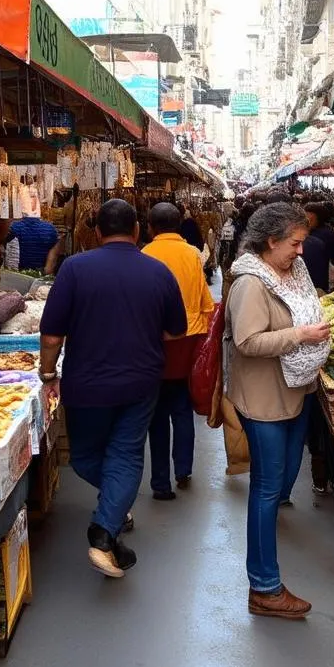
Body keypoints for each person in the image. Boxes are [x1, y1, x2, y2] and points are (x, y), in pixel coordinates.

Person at [39, 199, 187, 578]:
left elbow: (52, 334)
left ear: (98, 233)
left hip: (85, 383)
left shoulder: (73, 269)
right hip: (140, 381)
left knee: (85, 456)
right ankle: (111, 514)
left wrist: (47, 373)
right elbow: (175, 331)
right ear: (137, 231)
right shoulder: (158, 272)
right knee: (126, 455)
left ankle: (104, 532)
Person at [225, 202, 331, 619]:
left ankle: (265, 583)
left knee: (284, 476)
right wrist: (300, 335)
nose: (301, 251)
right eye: (294, 243)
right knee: (267, 489)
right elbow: (247, 342)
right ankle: (264, 586)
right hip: (265, 399)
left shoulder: (292, 271)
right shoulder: (251, 284)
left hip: (295, 389)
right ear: (270, 242)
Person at [142, 203, 215, 501]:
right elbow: (205, 303)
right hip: (188, 341)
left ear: (149, 227)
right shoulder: (192, 255)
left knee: (156, 415)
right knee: (182, 409)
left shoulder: (144, 255)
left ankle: (160, 482)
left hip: (152, 345)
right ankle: (183, 468)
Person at [304, 202, 334, 288]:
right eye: (304, 219)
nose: (306, 222)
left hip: (321, 277)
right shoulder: (306, 232)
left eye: (310, 220)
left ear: (319, 218)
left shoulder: (327, 235)